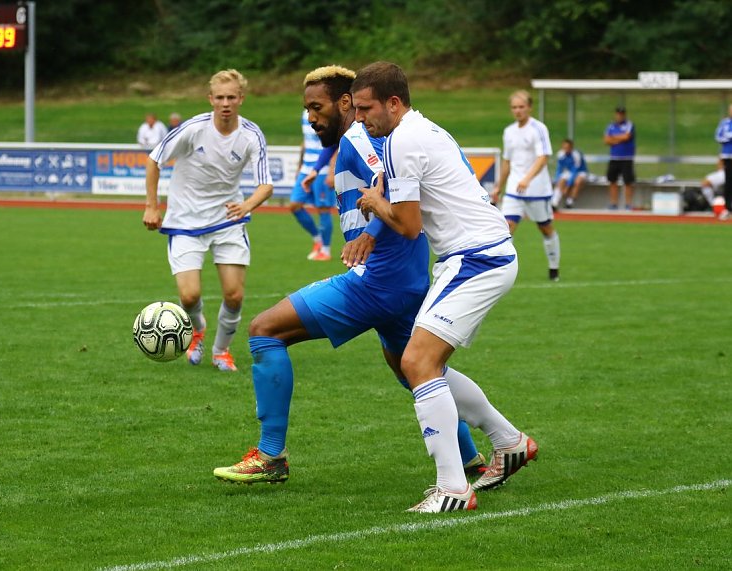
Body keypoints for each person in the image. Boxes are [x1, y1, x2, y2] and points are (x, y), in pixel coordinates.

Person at [213, 65, 488, 489]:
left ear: (345, 103)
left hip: (379, 279)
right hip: (405, 278)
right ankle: (473, 458)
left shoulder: (360, 137)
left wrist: (372, 236)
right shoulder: (357, 138)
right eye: (306, 109)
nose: (311, 117)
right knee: (414, 369)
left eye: (317, 107)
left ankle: (270, 456)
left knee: (264, 330)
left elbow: (393, 187)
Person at [353, 61, 537, 513]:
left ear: (393, 103)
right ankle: (508, 442)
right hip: (483, 253)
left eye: (366, 108)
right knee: (417, 362)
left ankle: (453, 488)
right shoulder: (424, 129)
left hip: (476, 258)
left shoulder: (400, 140)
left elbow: (410, 226)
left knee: (415, 360)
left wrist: (376, 201)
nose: (359, 118)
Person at [142, 69, 274, 372]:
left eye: (231, 97)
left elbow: (265, 184)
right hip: (185, 221)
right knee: (189, 296)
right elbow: (154, 160)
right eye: (220, 97)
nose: (225, 103)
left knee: (234, 294)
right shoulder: (193, 129)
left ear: (241, 99)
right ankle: (197, 330)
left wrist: (247, 205)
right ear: (210, 99)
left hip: (228, 221)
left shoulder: (252, 135)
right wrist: (152, 206)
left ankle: (221, 351)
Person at [490, 90, 561, 282]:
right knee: (507, 228)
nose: (518, 111)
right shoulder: (509, 131)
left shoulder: (538, 129)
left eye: (521, 107)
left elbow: (543, 157)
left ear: (529, 107)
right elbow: (507, 161)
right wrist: (499, 186)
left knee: (545, 228)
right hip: (514, 190)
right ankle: (501, 272)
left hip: (537, 189)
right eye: (514, 107)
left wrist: (527, 179)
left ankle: (554, 268)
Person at [289, 109, 337, 261]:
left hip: (322, 169)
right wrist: (299, 166)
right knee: (295, 205)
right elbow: (306, 141)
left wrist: (331, 170)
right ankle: (317, 240)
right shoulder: (305, 113)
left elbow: (336, 142)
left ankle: (326, 250)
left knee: (323, 209)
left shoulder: (327, 112)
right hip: (306, 169)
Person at [604, 106, 636, 210]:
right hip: (614, 158)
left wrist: (614, 138)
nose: (620, 116)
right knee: (612, 181)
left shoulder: (629, 125)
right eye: (618, 114)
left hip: (626, 158)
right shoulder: (610, 126)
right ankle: (613, 203)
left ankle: (628, 204)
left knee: (628, 182)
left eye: (622, 114)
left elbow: (627, 136)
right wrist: (619, 138)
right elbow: (606, 140)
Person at [553, 138, 588, 209]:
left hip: (581, 172)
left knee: (578, 181)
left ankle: (570, 201)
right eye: (564, 147)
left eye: (567, 147)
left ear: (571, 147)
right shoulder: (560, 154)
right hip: (569, 171)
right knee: (561, 181)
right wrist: (557, 179)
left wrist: (567, 186)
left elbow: (575, 171)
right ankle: (554, 203)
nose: (565, 149)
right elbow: (559, 169)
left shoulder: (576, 155)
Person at [714, 104, 732, 220]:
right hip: (728, 156)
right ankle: (728, 209)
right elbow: (718, 137)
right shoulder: (724, 123)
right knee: (729, 183)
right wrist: (729, 137)